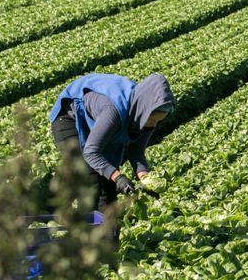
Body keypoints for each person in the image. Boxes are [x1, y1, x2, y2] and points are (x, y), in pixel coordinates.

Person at [49, 73, 176, 211]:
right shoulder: (113, 111)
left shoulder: (145, 117)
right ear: (144, 111)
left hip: (100, 124)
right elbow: (91, 152)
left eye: (158, 121)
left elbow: (136, 153)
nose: (153, 125)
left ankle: (106, 229)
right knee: (91, 180)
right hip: (69, 118)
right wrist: (119, 177)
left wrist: (145, 179)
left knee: (108, 189)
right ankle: (70, 217)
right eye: (152, 119)